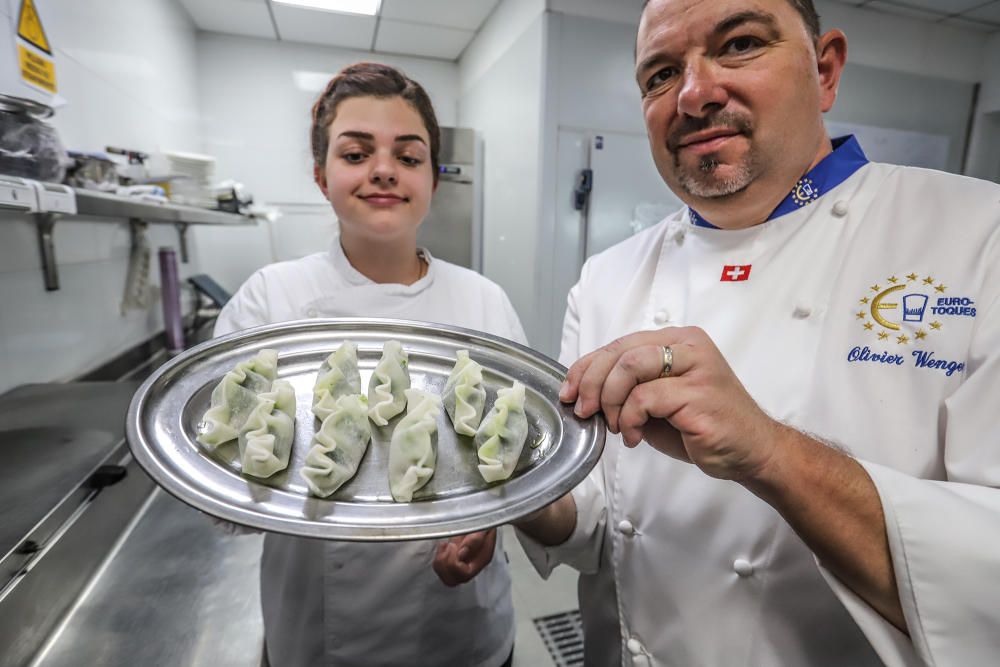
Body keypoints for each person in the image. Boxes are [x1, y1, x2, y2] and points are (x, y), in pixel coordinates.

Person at [444, 0, 1000, 664]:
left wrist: (771, 452)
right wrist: (511, 484)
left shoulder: (977, 238)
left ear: (824, 71)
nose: (695, 93)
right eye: (659, 74)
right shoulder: (606, 276)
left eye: (738, 44)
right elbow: (593, 522)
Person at [214, 62, 524, 667]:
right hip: (318, 634)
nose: (384, 169)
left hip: (462, 632)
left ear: (432, 178)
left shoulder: (483, 301)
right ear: (319, 175)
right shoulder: (270, 297)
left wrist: (488, 521)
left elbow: (512, 460)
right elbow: (222, 498)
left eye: (409, 158)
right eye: (356, 154)